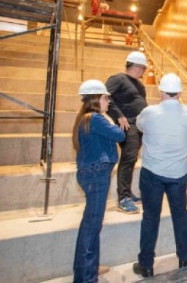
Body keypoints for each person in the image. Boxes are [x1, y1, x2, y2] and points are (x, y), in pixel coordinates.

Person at [132, 73, 187, 278]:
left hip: (153, 174)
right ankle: (184, 256)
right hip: (178, 174)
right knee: (180, 214)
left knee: (150, 217)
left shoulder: (149, 112)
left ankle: (146, 265)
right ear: (180, 92)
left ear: (160, 91)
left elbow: (140, 126)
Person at [72, 80, 125, 283]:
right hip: (96, 175)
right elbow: (119, 135)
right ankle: (86, 277)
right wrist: (115, 122)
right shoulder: (96, 118)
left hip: (92, 174)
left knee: (91, 224)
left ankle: (88, 267)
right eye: (105, 97)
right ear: (95, 99)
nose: (108, 101)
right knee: (92, 225)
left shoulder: (86, 118)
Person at [106, 51, 148, 214]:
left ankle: (128, 193)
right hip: (128, 125)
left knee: (132, 159)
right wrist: (119, 116)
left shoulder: (140, 85)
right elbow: (105, 97)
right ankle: (123, 198)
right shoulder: (118, 79)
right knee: (128, 158)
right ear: (131, 65)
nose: (142, 71)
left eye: (143, 68)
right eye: (140, 67)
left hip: (139, 125)